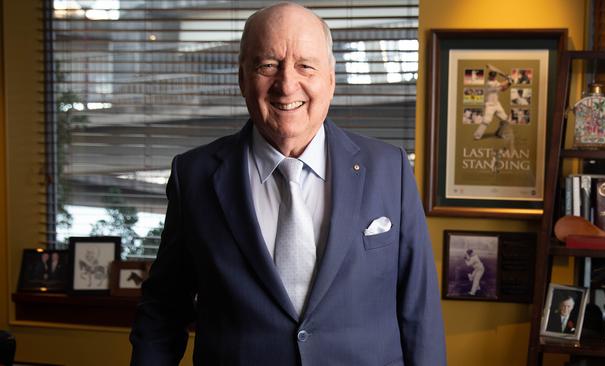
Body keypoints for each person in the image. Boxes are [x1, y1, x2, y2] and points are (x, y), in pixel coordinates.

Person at [129, 2, 446, 365]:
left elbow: (419, 314)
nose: (286, 84)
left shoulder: (390, 170)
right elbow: (163, 312)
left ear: (331, 79)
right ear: (242, 78)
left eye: (305, 66)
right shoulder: (195, 176)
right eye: (268, 65)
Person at [473, 69, 512, 140]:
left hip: (497, 104)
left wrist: (509, 84)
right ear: (489, 76)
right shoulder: (489, 83)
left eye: (494, 76)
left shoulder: (495, 82)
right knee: (486, 121)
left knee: (505, 120)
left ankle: (499, 133)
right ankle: (477, 136)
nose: (493, 77)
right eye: (492, 76)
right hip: (489, 105)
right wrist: (508, 79)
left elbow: (503, 89)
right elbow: (502, 84)